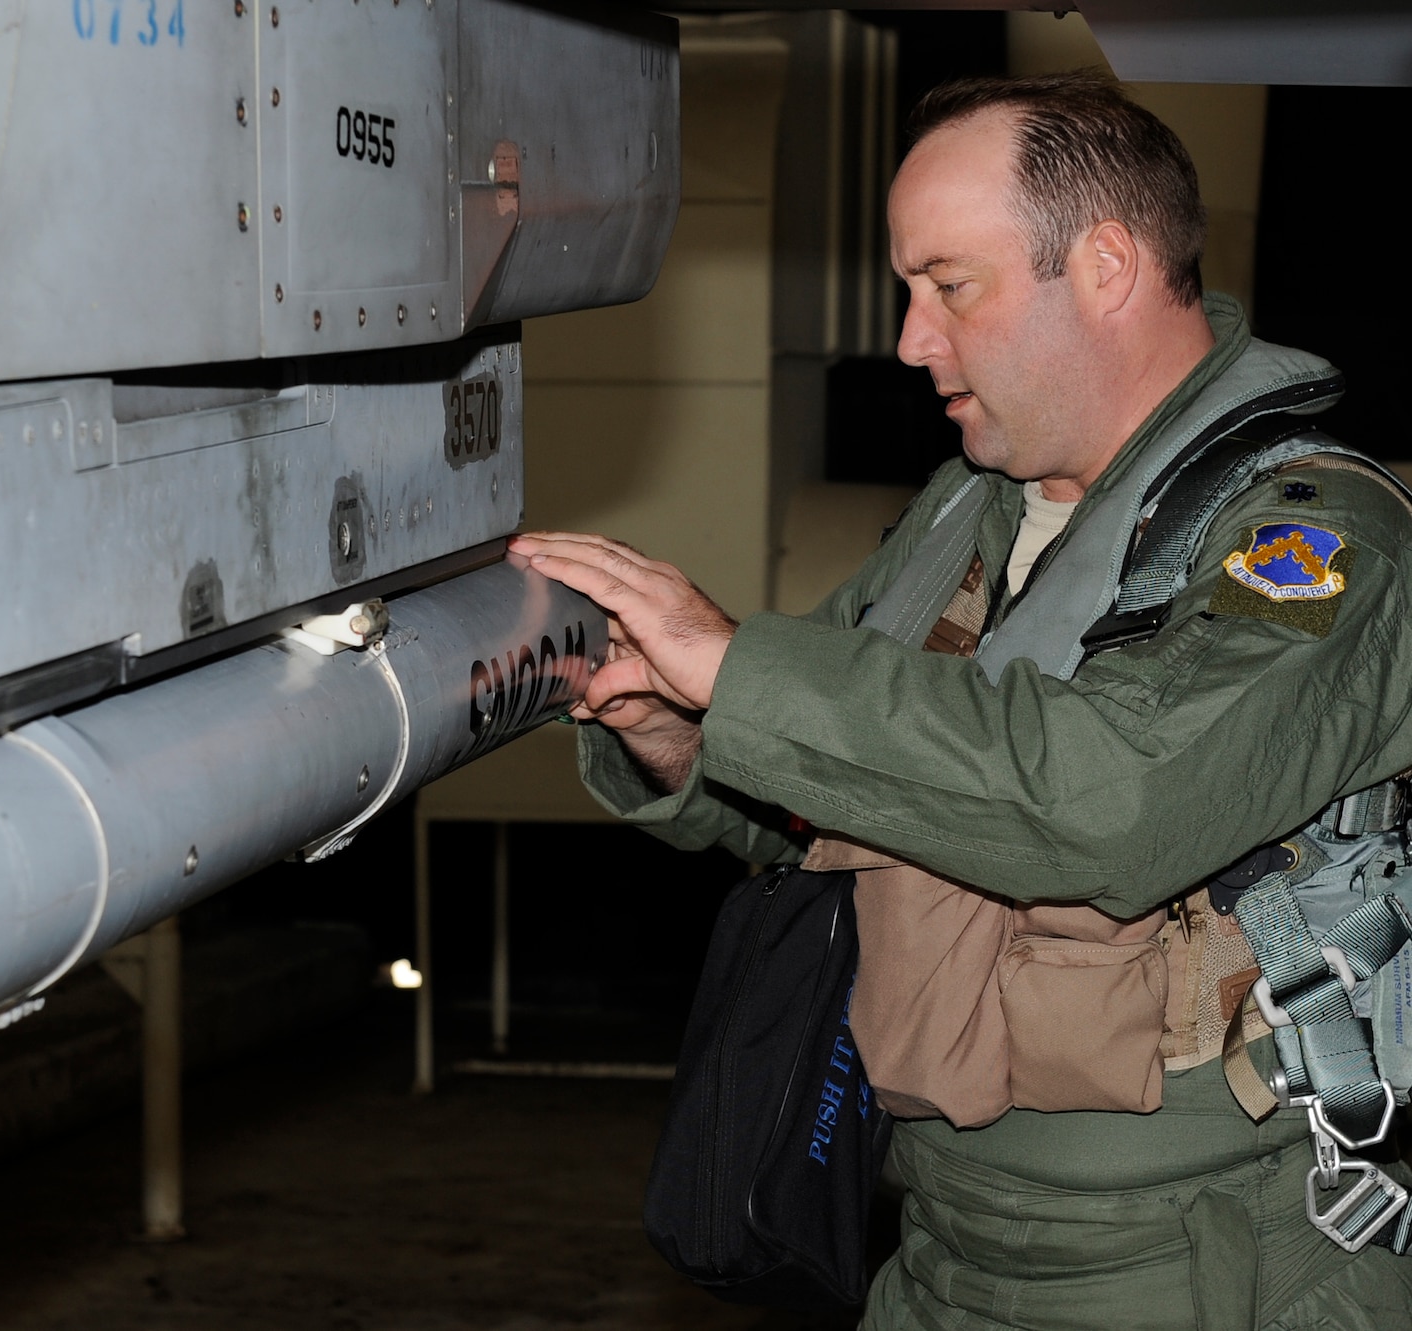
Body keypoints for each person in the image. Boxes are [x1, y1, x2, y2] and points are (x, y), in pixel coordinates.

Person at [511, 73, 1412, 1329]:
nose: (908, 339)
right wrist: (671, 728)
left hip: (1205, 1263)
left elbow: (1111, 802)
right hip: (939, 1247)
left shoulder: (1312, 540)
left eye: (948, 285)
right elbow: (821, 789)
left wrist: (734, 669)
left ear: (1103, 267)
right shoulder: (969, 511)